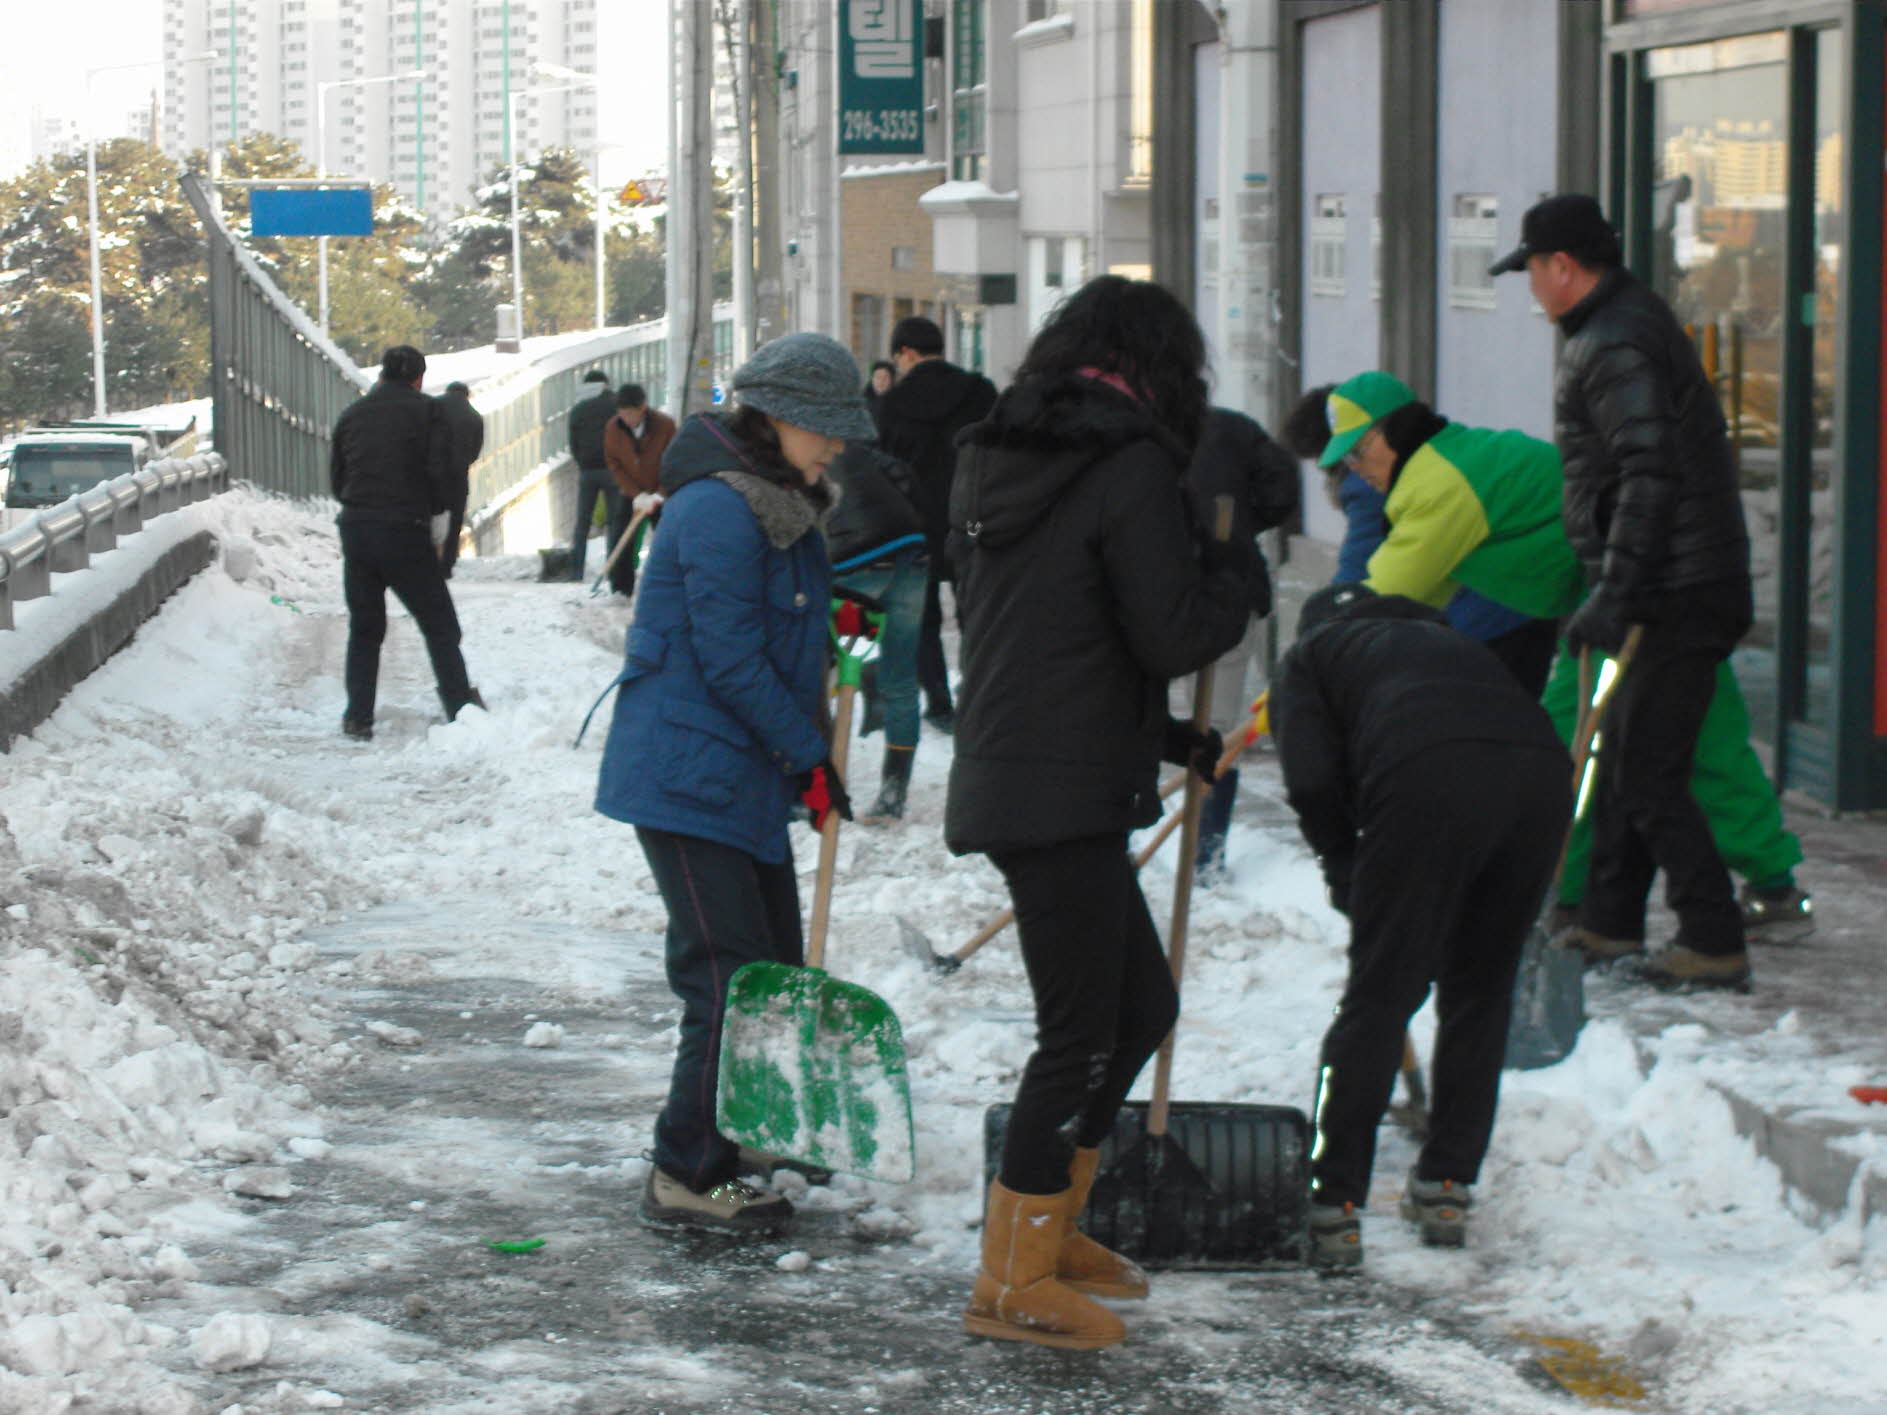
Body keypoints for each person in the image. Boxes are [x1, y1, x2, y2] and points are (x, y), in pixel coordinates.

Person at [946, 276, 1255, 1349]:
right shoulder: (1126, 465)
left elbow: (1052, 630)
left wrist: (1161, 738)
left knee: (1140, 1009)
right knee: (1079, 1035)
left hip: (1028, 767)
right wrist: (1235, 574)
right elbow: (1168, 632)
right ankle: (1012, 1274)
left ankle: (1052, 1223)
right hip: (1057, 791)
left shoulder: (993, 453)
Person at [591, 332, 872, 1236]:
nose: (834, 446)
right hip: (686, 773)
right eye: (824, 429)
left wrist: (837, 617)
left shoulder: (783, 505)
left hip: (737, 775)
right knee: (724, 980)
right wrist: (809, 759)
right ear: (778, 418)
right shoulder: (718, 508)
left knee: (771, 968)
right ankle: (686, 1169)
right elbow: (728, 657)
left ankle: (747, 1128)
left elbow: (773, 630)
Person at [1492, 192, 1757, 990]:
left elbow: (1650, 470)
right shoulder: (1619, 325)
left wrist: (1617, 586)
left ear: (1562, 267)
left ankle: (1713, 937)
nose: (1531, 287)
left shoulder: (1612, 342)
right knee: (1625, 755)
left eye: (1533, 270)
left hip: (1678, 585)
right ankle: (1608, 921)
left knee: (1645, 769)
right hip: (1673, 580)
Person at [1269, 583, 1570, 1269]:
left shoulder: (1313, 653)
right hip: (1540, 780)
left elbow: (1312, 779)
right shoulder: (1455, 644)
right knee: (1480, 989)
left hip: (1426, 774)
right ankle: (1445, 1185)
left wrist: (1343, 863)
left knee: (1380, 995)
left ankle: (1333, 1200)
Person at [1311, 370, 1585, 697]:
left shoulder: (1438, 484)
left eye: (1357, 451)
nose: (1353, 467)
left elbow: (1378, 600)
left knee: (1578, 722)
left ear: (1395, 431)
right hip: (1573, 589)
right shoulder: (1439, 462)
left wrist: (1301, 684)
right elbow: (1415, 598)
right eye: (1345, 458)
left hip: (1619, 575)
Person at [330, 346, 484, 739]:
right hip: (404, 530)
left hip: (358, 528)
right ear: (419, 379)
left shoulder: (352, 414)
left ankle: (358, 717)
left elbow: (336, 479)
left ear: (381, 374)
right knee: (439, 623)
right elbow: (442, 472)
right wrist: (438, 518)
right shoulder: (429, 412)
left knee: (365, 627)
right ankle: (460, 706)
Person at [1182, 407, 1299, 877]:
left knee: (1142, 718)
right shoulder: (1232, 427)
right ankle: (1206, 855)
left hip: (1155, 587)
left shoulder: (1126, 426)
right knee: (1214, 723)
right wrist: (1242, 526)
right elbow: (1281, 490)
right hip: (1229, 584)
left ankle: (1129, 843)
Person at [873, 315, 997, 732]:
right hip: (973, 522)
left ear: (906, 353)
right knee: (975, 607)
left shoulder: (891, 405)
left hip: (916, 525)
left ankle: (939, 703)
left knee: (921, 617)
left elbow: (883, 469)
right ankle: (978, 692)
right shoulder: (981, 392)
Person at [823, 439, 929, 820]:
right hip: (912, 555)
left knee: (836, 673)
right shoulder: (865, 452)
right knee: (899, 678)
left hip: (856, 565)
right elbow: (908, 479)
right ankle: (893, 792)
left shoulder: (802, 455)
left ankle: (822, 786)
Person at [602, 383, 677, 597]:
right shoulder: (613, 428)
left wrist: (660, 493)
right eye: (621, 413)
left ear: (642, 408)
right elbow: (614, 463)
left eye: (629, 413)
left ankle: (668, 588)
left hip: (660, 494)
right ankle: (621, 589)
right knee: (621, 539)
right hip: (632, 493)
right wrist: (637, 494)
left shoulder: (664, 426)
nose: (625, 418)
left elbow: (675, 461)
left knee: (668, 541)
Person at [566, 368, 620, 583]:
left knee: (582, 522)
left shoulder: (578, 409)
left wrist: (583, 463)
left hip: (588, 471)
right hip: (613, 471)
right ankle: (612, 569)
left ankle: (576, 571)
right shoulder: (617, 405)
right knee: (615, 521)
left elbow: (573, 443)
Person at [434, 380, 484, 578]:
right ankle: (447, 564)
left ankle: (429, 560)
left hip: (433, 473)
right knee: (455, 519)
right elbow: (475, 451)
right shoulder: (474, 416)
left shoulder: (434, 408)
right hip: (458, 475)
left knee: (432, 517)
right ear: (466, 395)